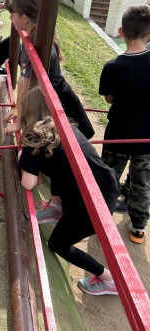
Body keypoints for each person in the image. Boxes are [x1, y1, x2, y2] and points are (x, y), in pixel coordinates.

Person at [3, 0, 95, 219]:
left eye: (12, 14)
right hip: (53, 97)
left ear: (24, 17)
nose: (10, 19)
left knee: (65, 146)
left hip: (59, 101)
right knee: (56, 146)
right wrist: (19, 111)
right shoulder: (34, 36)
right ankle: (56, 195)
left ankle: (61, 203)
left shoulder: (38, 41)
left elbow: (27, 84)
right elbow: (26, 82)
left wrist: (20, 118)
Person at [18, 86, 120, 295]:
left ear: (28, 110)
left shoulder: (35, 136)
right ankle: (56, 208)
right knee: (59, 167)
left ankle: (108, 279)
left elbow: (28, 183)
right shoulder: (64, 126)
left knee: (58, 243)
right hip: (106, 184)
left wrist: (23, 158)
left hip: (92, 204)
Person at [99, 4, 150, 244]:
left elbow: (110, 99)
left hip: (117, 135)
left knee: (109, 176)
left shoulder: (112, 67)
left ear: (121, 32)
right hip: (146, 139)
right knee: (142, 183)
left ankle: (102, 217)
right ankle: (138, 227)